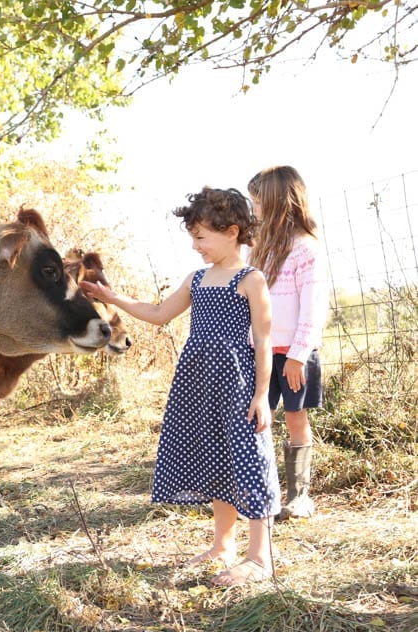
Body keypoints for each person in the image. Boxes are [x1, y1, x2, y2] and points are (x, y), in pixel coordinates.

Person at [81, 187, 280, 586]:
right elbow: (157, 313)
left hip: (237, 388)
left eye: (201, 237)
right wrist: (111, 297)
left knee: (249, 461)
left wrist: (261, 395)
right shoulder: (198, 279)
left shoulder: (250, 280)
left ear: (232, 231)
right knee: (216, 459)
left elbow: (263, 341)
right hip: (198, 385)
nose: (195, 246)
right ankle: (222, 545)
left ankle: (260, 557)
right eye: (192, 237)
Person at [247, 166, 330, 521]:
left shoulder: (305, 249)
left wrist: (298, 355)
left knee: (296, 418)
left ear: (278, 203)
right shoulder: (258, 250)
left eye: (258, 203)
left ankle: (299, 496)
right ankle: (259, 491)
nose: (254, 211)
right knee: (254, 418)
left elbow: (312, 307)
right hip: (260, 352)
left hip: (295, 354)